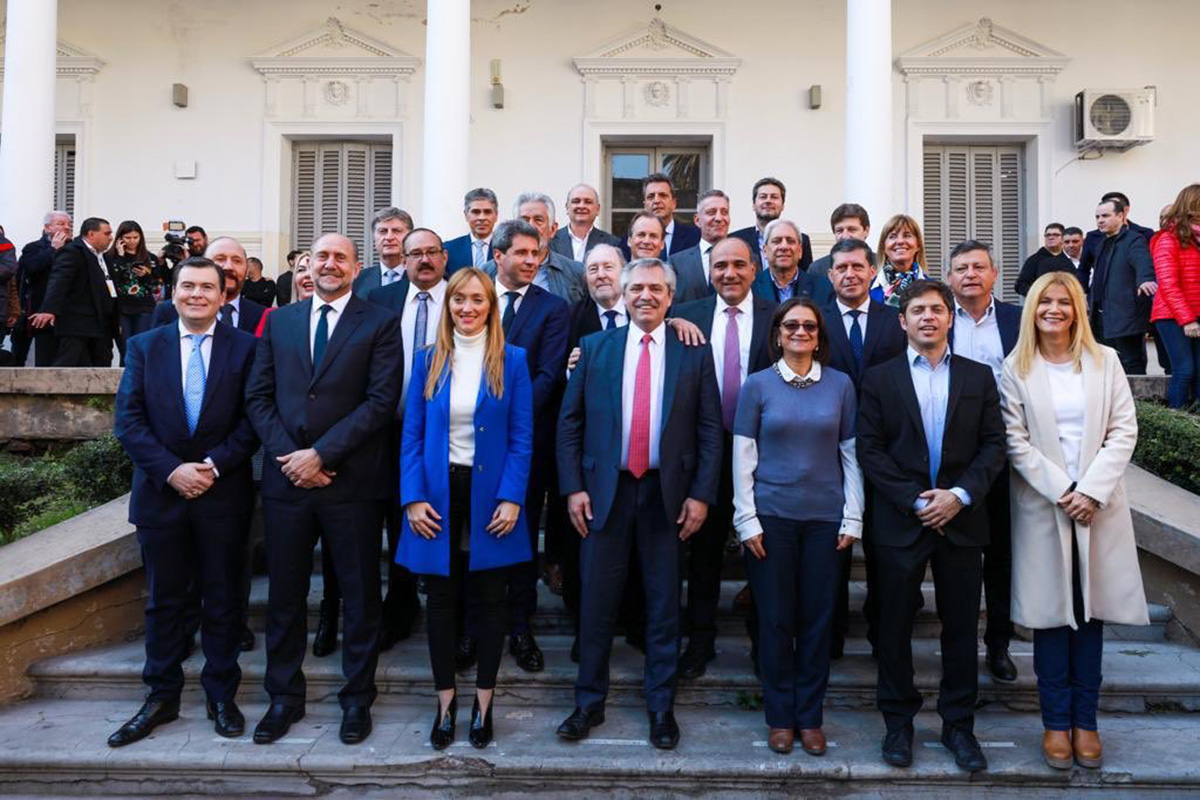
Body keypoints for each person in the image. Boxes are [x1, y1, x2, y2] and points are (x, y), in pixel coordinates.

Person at [556, 257, 722, 750]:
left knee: (664, 605)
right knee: (596, 604)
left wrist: (701, 495)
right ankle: (588, 703)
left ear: (670, 298)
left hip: (666, 495)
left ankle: (661, 707)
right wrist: (573, 487)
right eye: (636, 289)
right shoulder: (594, 348)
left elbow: (710, 430)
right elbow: (569, 424)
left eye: (656, 289)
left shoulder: (693, 352)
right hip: (603, 493)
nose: (645, 296)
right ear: (623, 296)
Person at [245, 232, 403, 746]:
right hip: (287, 482)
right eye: (321, 257)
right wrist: (292, 459)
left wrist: (322, 455)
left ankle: (357, 700)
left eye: (340, 257)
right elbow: (258, 397)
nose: (329, 264)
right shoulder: (281, 322)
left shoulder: (379, 322)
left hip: (351, 482)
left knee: (360, 597)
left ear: (356, 268)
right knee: (285, 598)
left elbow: (380, 401)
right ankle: (283, 698)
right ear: (307, 265)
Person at [999, 271, 1148, 771]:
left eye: (1064, 302)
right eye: (1045, 302)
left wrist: (1090, 491)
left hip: (1098, 506)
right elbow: (1014, 439)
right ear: (1032, 309)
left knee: (1089, 618)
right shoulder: (1016, 367)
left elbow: (1124, 430)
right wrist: (1063, 490)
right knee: (1051, 619)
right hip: (1046, 506)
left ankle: (1087, 723)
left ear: (1077, 309)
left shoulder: (1105, 361)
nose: (1054, 310)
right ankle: (1055, 724)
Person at [857, 279, 1006, 773]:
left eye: (936, 310)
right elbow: (870, 449)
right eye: (918, 310)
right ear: (902, 321)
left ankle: (958, 726)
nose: (928, 317)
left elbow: (994, 445)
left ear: (949, 318)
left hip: (961, 520)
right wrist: (912, 498)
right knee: (893, 627)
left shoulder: (978, 377)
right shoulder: (879, 379)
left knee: (961, 630)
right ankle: (898, 724)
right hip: (901, 521)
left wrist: (958, 496)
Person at [109, 257, 259, 747]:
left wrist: (212, 466)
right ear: (171, 293)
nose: (197, 294)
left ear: (222, 295)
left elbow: (253, 420)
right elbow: (128, 421)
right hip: (161, 495)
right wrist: (172, 470)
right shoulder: (144, 347)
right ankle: (161, 696)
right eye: (188, 285)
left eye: (207, 287)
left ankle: (221, 696)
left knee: (223, 600)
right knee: (164, 602)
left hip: (223, 493)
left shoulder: (247, 348)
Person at [398, 267, 533, 750]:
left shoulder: (513, 360)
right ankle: (445, 703)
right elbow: (412, 435)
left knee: (490, 601)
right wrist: (412, 496)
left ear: (491, 306)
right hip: (437, 495)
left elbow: (521, 437)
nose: (467, 307)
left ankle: (483, 704)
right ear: (448, 305)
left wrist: (512, 497)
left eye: (477, 299)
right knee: (440, 602)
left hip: (492, 497)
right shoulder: (428, 359)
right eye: (459, 299)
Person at [733, 297, 862, 755]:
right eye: (791, 325)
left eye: (809, 326)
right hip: (772, 519)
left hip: (826, 520)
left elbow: (850, 455)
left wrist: (854, 514)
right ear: (778, 334)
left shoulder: (841, 385)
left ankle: (810, 717)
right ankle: (779, 716)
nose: (800, 332)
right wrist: (746, 519)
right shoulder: (757, 385)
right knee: (774, 619)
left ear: (820, 335)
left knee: (817, 621)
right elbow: (743, 456)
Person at [671, 237, 775, 680]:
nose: (729, 273)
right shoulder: (687, 315)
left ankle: (764, 643)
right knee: (704, 553)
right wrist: (671, 318)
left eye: (738, 265)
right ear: (709, 271)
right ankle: (699, 641)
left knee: (763, 551)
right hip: (705, 452)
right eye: (720, 266)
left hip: (765, 454)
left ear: (754, 269)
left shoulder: (777, 316)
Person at [478, 219, 569, 673]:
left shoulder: (553, 309)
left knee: (520, 537)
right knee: (472, 536)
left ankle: (519, 627)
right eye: (522, 253)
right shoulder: (474, 298)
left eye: (537, 254)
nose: (532, 261)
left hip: (524, 442)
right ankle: (473, 629)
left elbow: (548, 375)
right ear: (498, 255)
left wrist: (503, 422)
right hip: (468, 444)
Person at [820, 238, 906, 659]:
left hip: (888, 451)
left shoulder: (896, 321)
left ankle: (881, 635)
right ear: (830, 274)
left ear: (873, 271)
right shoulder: (814, 321)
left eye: (858, 266)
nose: (850, 274)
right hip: (827, 454)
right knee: (832, 552)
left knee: (882, 551)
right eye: (842, 267)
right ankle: (832, 635)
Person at [944, 240, 1022, 683]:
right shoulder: (938, 317)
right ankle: (957, 646)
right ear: (949, 278)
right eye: (961, 268)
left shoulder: (1016, 321)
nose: (970, 274)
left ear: (994, 274)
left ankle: (998, 643)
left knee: (1001, 554)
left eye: (978, 267)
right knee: (955, 559)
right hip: (951, 455)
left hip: (1006, 450)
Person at [29, 217, 116, 367]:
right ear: (91, 234)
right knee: (68, 363)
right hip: (77, 323)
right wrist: (49, 309)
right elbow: (59, 281)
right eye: (107, 233)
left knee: (100, 364)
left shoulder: (103, 256)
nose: (111, 238)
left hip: (101, 322)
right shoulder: (72, 252)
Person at [1087, 197, 1156, 375]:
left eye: (1105, 216)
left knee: (1131, 363)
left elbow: (1142, 261)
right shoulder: (1101, 243)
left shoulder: (1134, 239)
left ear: (1120, 216)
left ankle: (1135, 395)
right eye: (1097, 217)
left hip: (1126, 315)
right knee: (1106, 364)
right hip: (1100, 316)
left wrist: (1145, 279)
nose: (1100, 220)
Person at [484, 192, 586, 303]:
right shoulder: (487, 272)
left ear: (553, 229)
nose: (531, 226)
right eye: (524, 221)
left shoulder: (576, 273)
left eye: (538, 220)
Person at [1150, 184, 1200, 407]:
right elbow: (1168, 284)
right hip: (1171, 315)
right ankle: (1176, 419)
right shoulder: (1168, 239)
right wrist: (1187, 319)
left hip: (1196, 313)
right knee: (1184, 370)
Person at [152, 238, 267, 335]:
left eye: (237, 261)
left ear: (246, 268)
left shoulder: (263, 316)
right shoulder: (168, 312)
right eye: (220, 259)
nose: (228, 267)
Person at [17, 211, 72, 366]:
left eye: (69, 224)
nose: (67, 227)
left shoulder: (75, 248)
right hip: (42, 310)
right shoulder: (33, 248)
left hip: (70, 313)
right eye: (61, 224)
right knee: (45, 359)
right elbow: (32, 268)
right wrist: (53, 249)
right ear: (47, 228)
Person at [107, 221, 165, 364]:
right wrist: (121, 258)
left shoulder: (150, 258)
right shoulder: (110, 257)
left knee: (142, 348)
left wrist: (145, 276)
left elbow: (156, 287)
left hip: (144, 308)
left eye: (135, 237)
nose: (132, 241)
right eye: (128, 238)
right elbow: (110, 282)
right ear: (120, 238)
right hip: (121, 309)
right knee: (125, 348)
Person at [731, 177, 813, 272]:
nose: (768, 201)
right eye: (763, 197)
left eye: (774, 197)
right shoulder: (735, 240)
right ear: (753, 205)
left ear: (782, 206)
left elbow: (806, 277)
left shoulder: (801, 240)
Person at [751, 219, 834, 305]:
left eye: (790, 241)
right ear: (765, 251)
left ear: (800, 251)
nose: (784, 247)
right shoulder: (751, 288)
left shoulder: (823, 288)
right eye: (777, 241)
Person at [669, 189, 731, 304]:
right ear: (697, 220)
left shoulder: (746, 259)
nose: (719, 218)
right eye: (711, 212)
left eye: (724, 212)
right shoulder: (677, 263)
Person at [627, 173, 700, 259]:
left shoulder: (695, 237)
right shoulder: (631, 240)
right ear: (645, 205)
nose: (656, 201)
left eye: (662, 195)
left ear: (674, 203)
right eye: (651, 197)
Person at [353, 207, 414, 298]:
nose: (389, 237)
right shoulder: (357, 280)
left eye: (397, 231)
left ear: (410, 236)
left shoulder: (420, 278)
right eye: (383, 231)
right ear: (374, 237)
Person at [869, 214, 930, 307]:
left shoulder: (933, 289)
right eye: (893, 236)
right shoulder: (866, 290)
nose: (900, 241)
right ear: (883, 247)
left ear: (918, 245)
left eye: (907, 236)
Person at [551, 183, 621, 262]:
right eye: (576, 201)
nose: (581, 206)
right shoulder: (550, 241)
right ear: (567, 207)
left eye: (588, 202)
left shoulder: (612, 244)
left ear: (597, 209)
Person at [445, 188, 499, 273]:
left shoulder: (505, 250)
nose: (482, 218)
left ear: (496, 215)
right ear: (466, 215)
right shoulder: (449, 250)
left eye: (487, 212)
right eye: (476, 212)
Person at [1015, 224, 1077, 297]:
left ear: (1063, 238)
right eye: (1048, 235)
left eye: (1056, 235)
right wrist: (1039, 294)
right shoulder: (1034, 260)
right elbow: (1020, 285)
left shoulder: (1068, 260)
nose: (1051, 237)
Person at [808, 203, 871, 276]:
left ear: (866, 231)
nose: (845, 236)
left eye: (852, 229)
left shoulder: (880, 265)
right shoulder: (817, 269)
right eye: (839, 231)